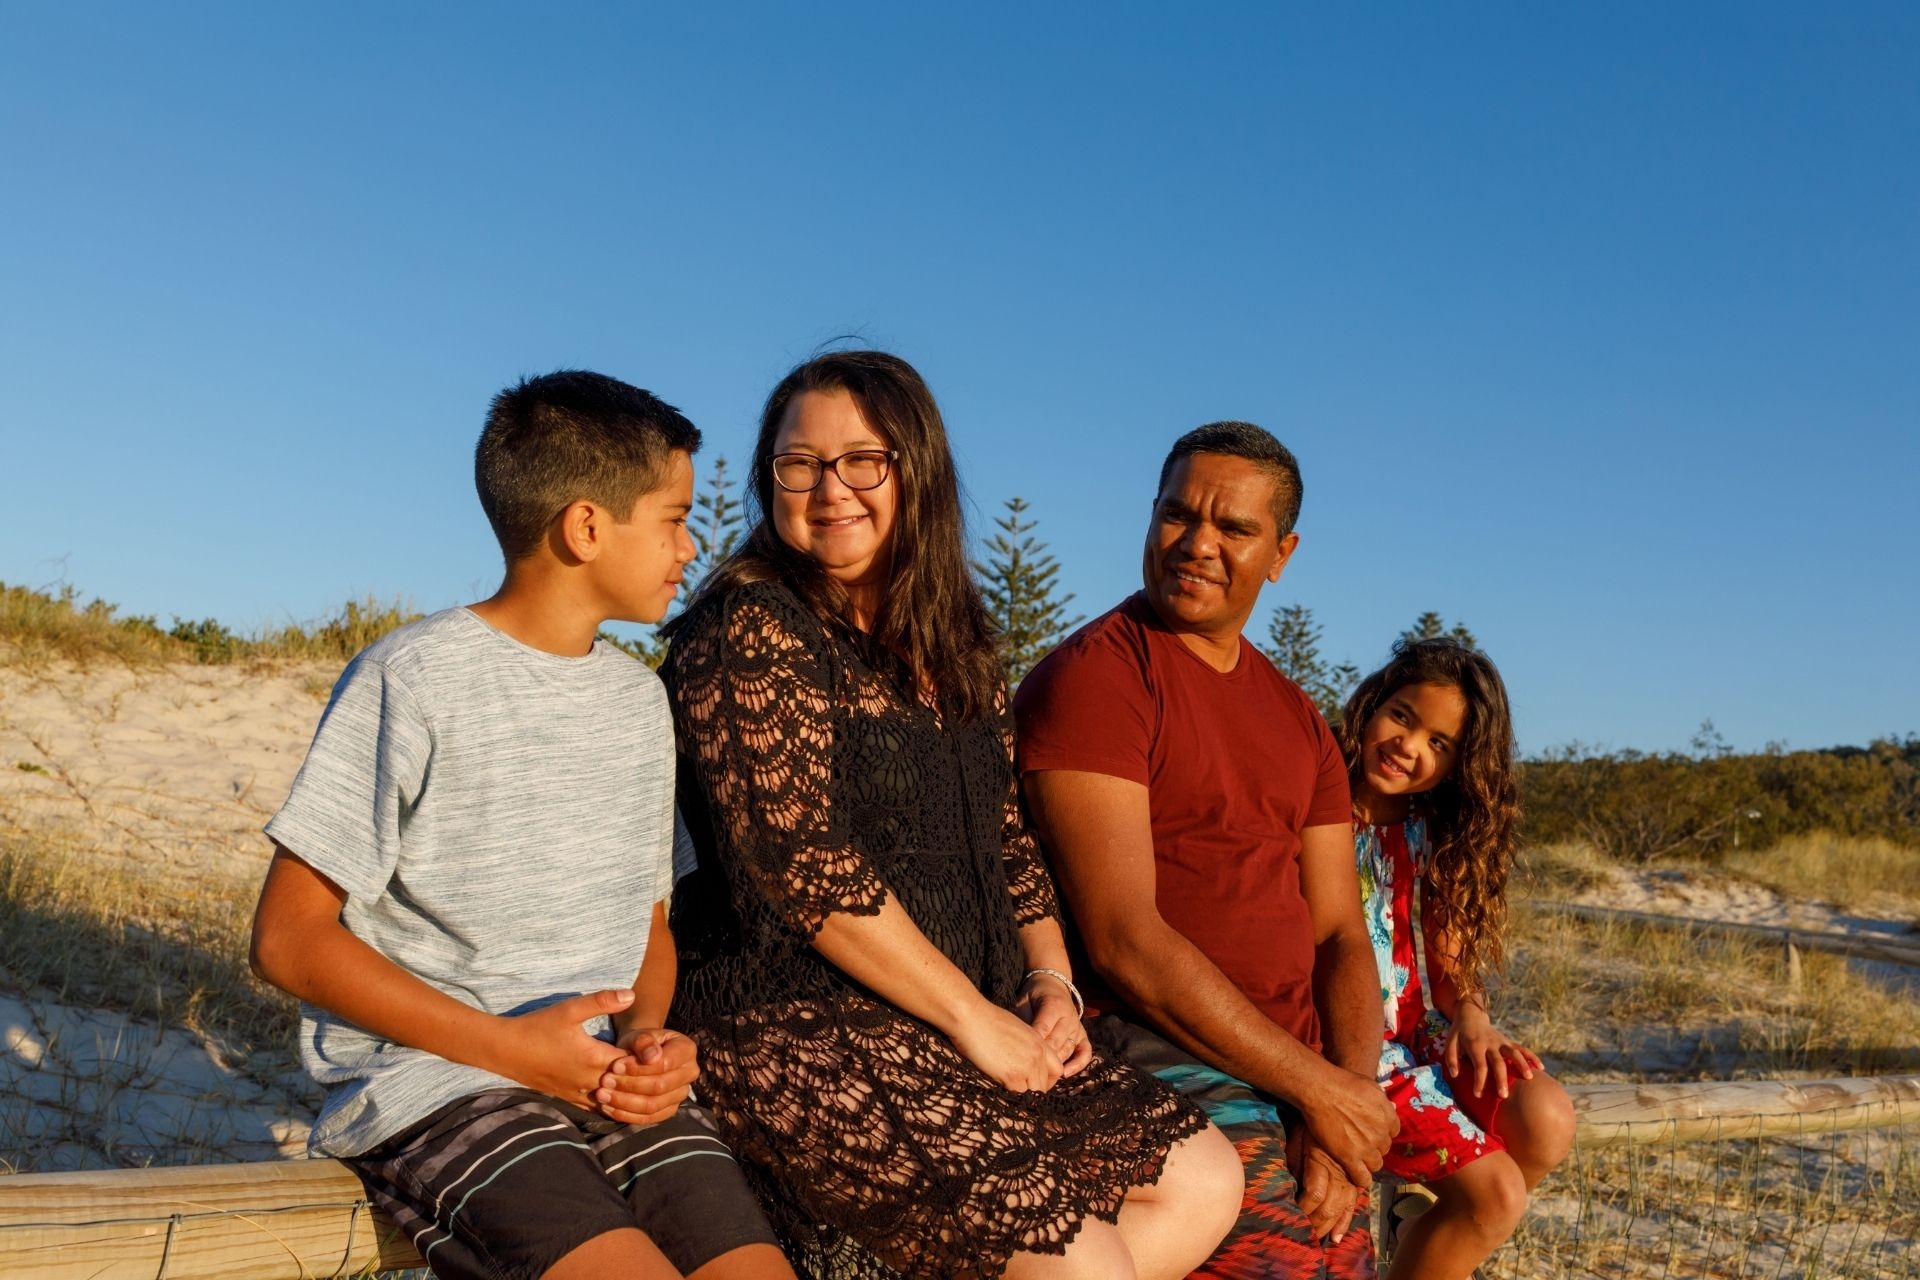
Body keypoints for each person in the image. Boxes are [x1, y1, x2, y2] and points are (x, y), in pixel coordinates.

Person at [659, 350, 1243, 1280]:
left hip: (960, 1012)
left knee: (1205, 1180)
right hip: (798, 1018)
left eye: (862, 459)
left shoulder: (956, 639)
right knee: (1081, 1265)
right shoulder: (753, 626)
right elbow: (802, 864)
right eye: (797, 463)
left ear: (916, 468)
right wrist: (975, 1021)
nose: (828, 488)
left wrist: (1052, 983)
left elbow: (1009, 842)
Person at [249, 371, 792, 1280]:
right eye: (671, 517)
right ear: (586, 527)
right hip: (442, 1086)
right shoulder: (413, 678)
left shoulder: (636, 702)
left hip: (604, 1084)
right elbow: (288, 937)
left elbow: (649, 925)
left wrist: (649, 1033)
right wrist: (512, 1050)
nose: (688, 546)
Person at [1015, 421, 1399, 1279]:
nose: (1198, 545)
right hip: (1150, 1047)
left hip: (1294, 1070)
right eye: (1178, 515)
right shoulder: (1099, 678)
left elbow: (1340, 932)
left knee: (1343, 1260)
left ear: (1281, 554)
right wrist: (1318, 1090)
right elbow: (1124, 940)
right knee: (1284, 1258)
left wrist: (1344, 1094)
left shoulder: (1300, 720)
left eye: (1234, 529)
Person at [1339, 639, 1575, 1279]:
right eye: (1402, 716)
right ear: (1372, 703)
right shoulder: (1314, 799)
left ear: (1457, 765)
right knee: (1496, 1195)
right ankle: (1444, 1222)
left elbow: (1448, 969)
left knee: (1547, 1119)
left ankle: (1430, 1229)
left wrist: (1472, 1017)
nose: (1409, 746)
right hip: (1345, 1044)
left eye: (1439, 744)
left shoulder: (1430, 825)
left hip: (1414, 1033)